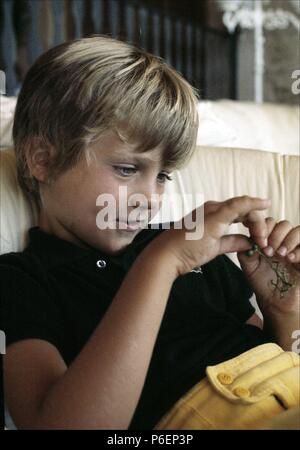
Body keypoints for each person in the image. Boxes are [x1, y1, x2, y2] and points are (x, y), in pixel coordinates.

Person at [0, 36, 299, 430]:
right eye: (127, 170)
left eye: (162, 177)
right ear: (43, 159)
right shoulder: (23, 279)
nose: (150, 198)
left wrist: (284, 310)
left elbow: (266, 365)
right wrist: (161, 263)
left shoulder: (190, 245)